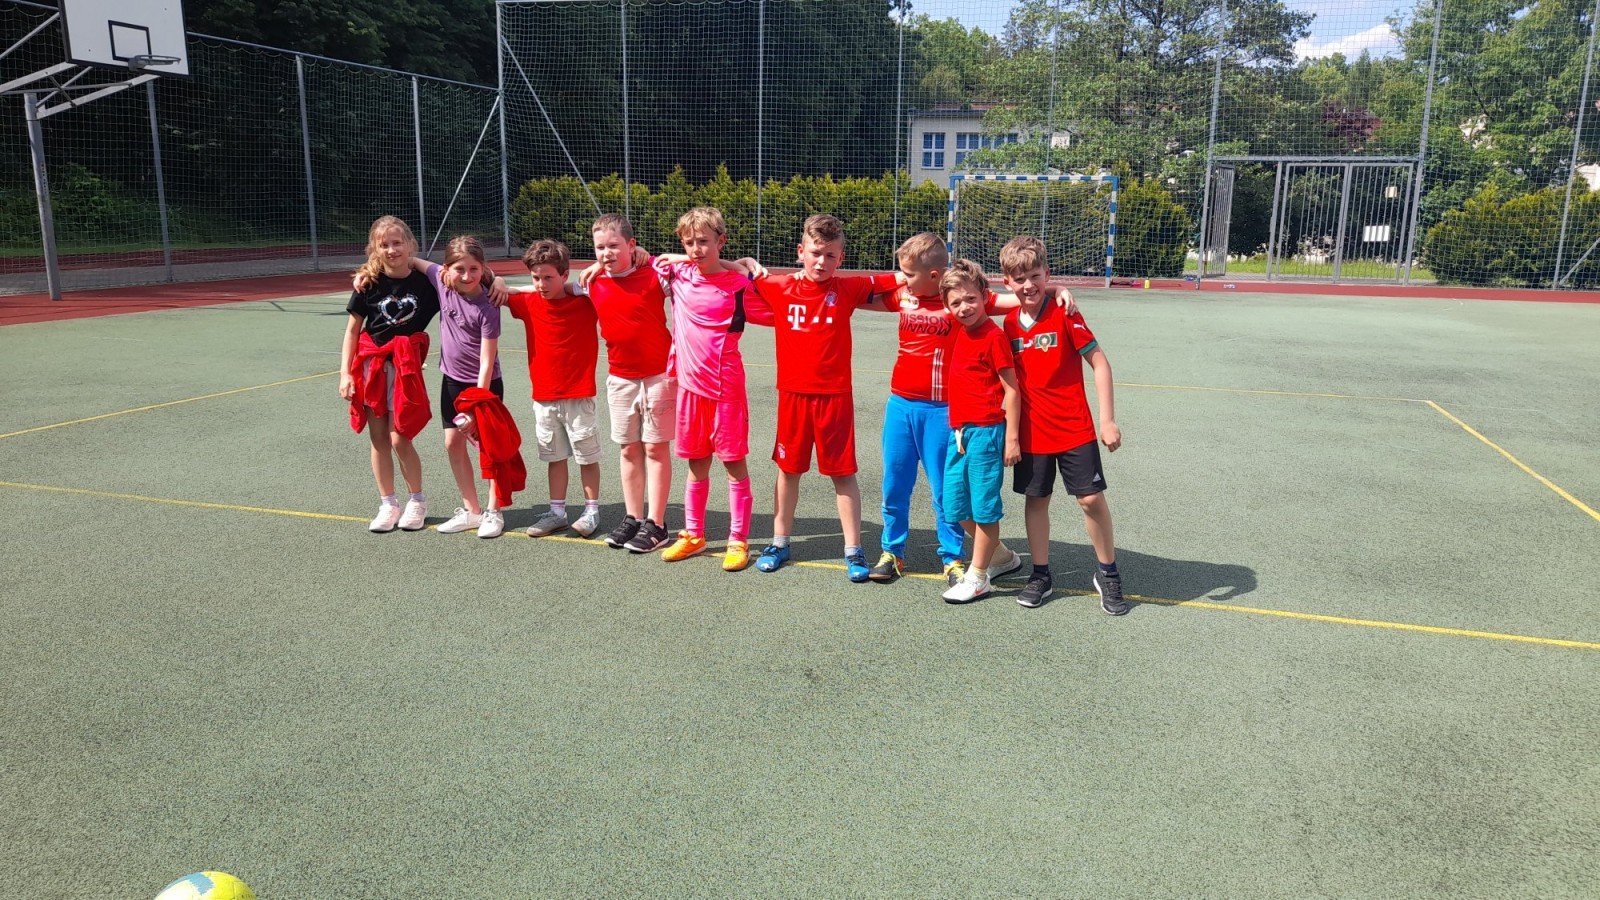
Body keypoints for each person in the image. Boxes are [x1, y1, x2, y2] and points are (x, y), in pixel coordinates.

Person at [866, 232, 1032, 587]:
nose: (903, 278)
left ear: (934, 276)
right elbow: (856, 296)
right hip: (900, 406)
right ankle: (892, 552)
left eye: (908, 273)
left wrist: (1056, 290)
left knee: (945, 491)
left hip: (942, 411)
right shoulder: (904, 295)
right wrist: (894, 278)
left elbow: (1018, 299)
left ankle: (952, 556)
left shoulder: (959, 299)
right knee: (895, 483)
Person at [747, 214, 900, 583]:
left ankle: (853, 549)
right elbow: (724, 271)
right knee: (788, 471)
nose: (821, 262)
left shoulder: (848, 288)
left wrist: (930, 278)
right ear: (801, 251)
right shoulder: (778, 285)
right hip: (793, 397)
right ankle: (779, 543)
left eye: (830, 256)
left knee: (843, 474)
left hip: (835, 398)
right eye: (815, 253)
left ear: (840, 258)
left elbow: (903, 276)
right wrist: (746, 262)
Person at [998, 235, 1127, 614]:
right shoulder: (1007, 324)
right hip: (1031, 432)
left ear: (1047, 274)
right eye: (1019, 279)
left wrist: (1107, 420)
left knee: (1090, 499)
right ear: (1007, 282)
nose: (1028, 285)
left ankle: (1108, 572)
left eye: (1035, 276)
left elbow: (1100, 363)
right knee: (1036, 500)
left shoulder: (1064, 313)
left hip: (1074, 428)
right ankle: (1040, 574)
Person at [654, 206, 773, 571]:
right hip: (690, 390)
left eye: (704, 241)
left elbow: (775, 309)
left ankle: (738, 540)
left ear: (721, 241)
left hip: (726, 390)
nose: (696, 249)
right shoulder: (678, 274)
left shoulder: (740, 286)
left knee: (734, 464)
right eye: (689, 242)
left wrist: (744, 268)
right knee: (696, 464)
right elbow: (648, 259)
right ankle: (694, 535)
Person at [339, 215, 439, 533]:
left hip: (404, 368)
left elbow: (449, 278)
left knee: (400, 437)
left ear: (411, 244)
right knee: (379, 437)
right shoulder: (369, 283)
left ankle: (417, 501)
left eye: (398, 243)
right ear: (375, 249)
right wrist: (345, 374)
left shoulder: (426, 283)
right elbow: (352, 331)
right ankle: (388, 504)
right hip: (372, 367)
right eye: (384, 245)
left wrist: (415, 261)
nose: (392, 250)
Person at [584, 213, 677, 553]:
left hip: (659, 376)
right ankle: (633, 518)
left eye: (614, 246)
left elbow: (690, 268)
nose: (606, 253)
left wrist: (650, 258)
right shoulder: (591, 281)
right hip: (620, 378)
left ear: (631, 245)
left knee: (655, 448)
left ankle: (657, 524)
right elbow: (546, 288)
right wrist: (502, 285)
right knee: (628, 449)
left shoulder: (654, 276)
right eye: (600, 248)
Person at [504, 239, 604, 539]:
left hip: (579, 396)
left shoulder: (586, 303)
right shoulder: (527, 303)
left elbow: (609, 280)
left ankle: (591, 511)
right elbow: (492, 287)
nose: (541, 284)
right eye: (536, 278)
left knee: (587, 457)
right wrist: (497, 281)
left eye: (548, 277)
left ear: (564, 274)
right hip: (544, 398)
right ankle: (557, 512)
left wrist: (582, 281)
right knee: (554, 457)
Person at [938, 259, 1020, 604]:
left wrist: (1011, 437)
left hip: (987, 432)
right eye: (956, 302)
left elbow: (1012, 390)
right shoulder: (959, 330)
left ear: (986, 296)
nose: (964, 308)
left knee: (984, 508)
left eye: (970, 299)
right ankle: (1001, 557)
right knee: (954, 506)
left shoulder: (994, 336)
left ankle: (978, 576)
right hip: (958, 433)